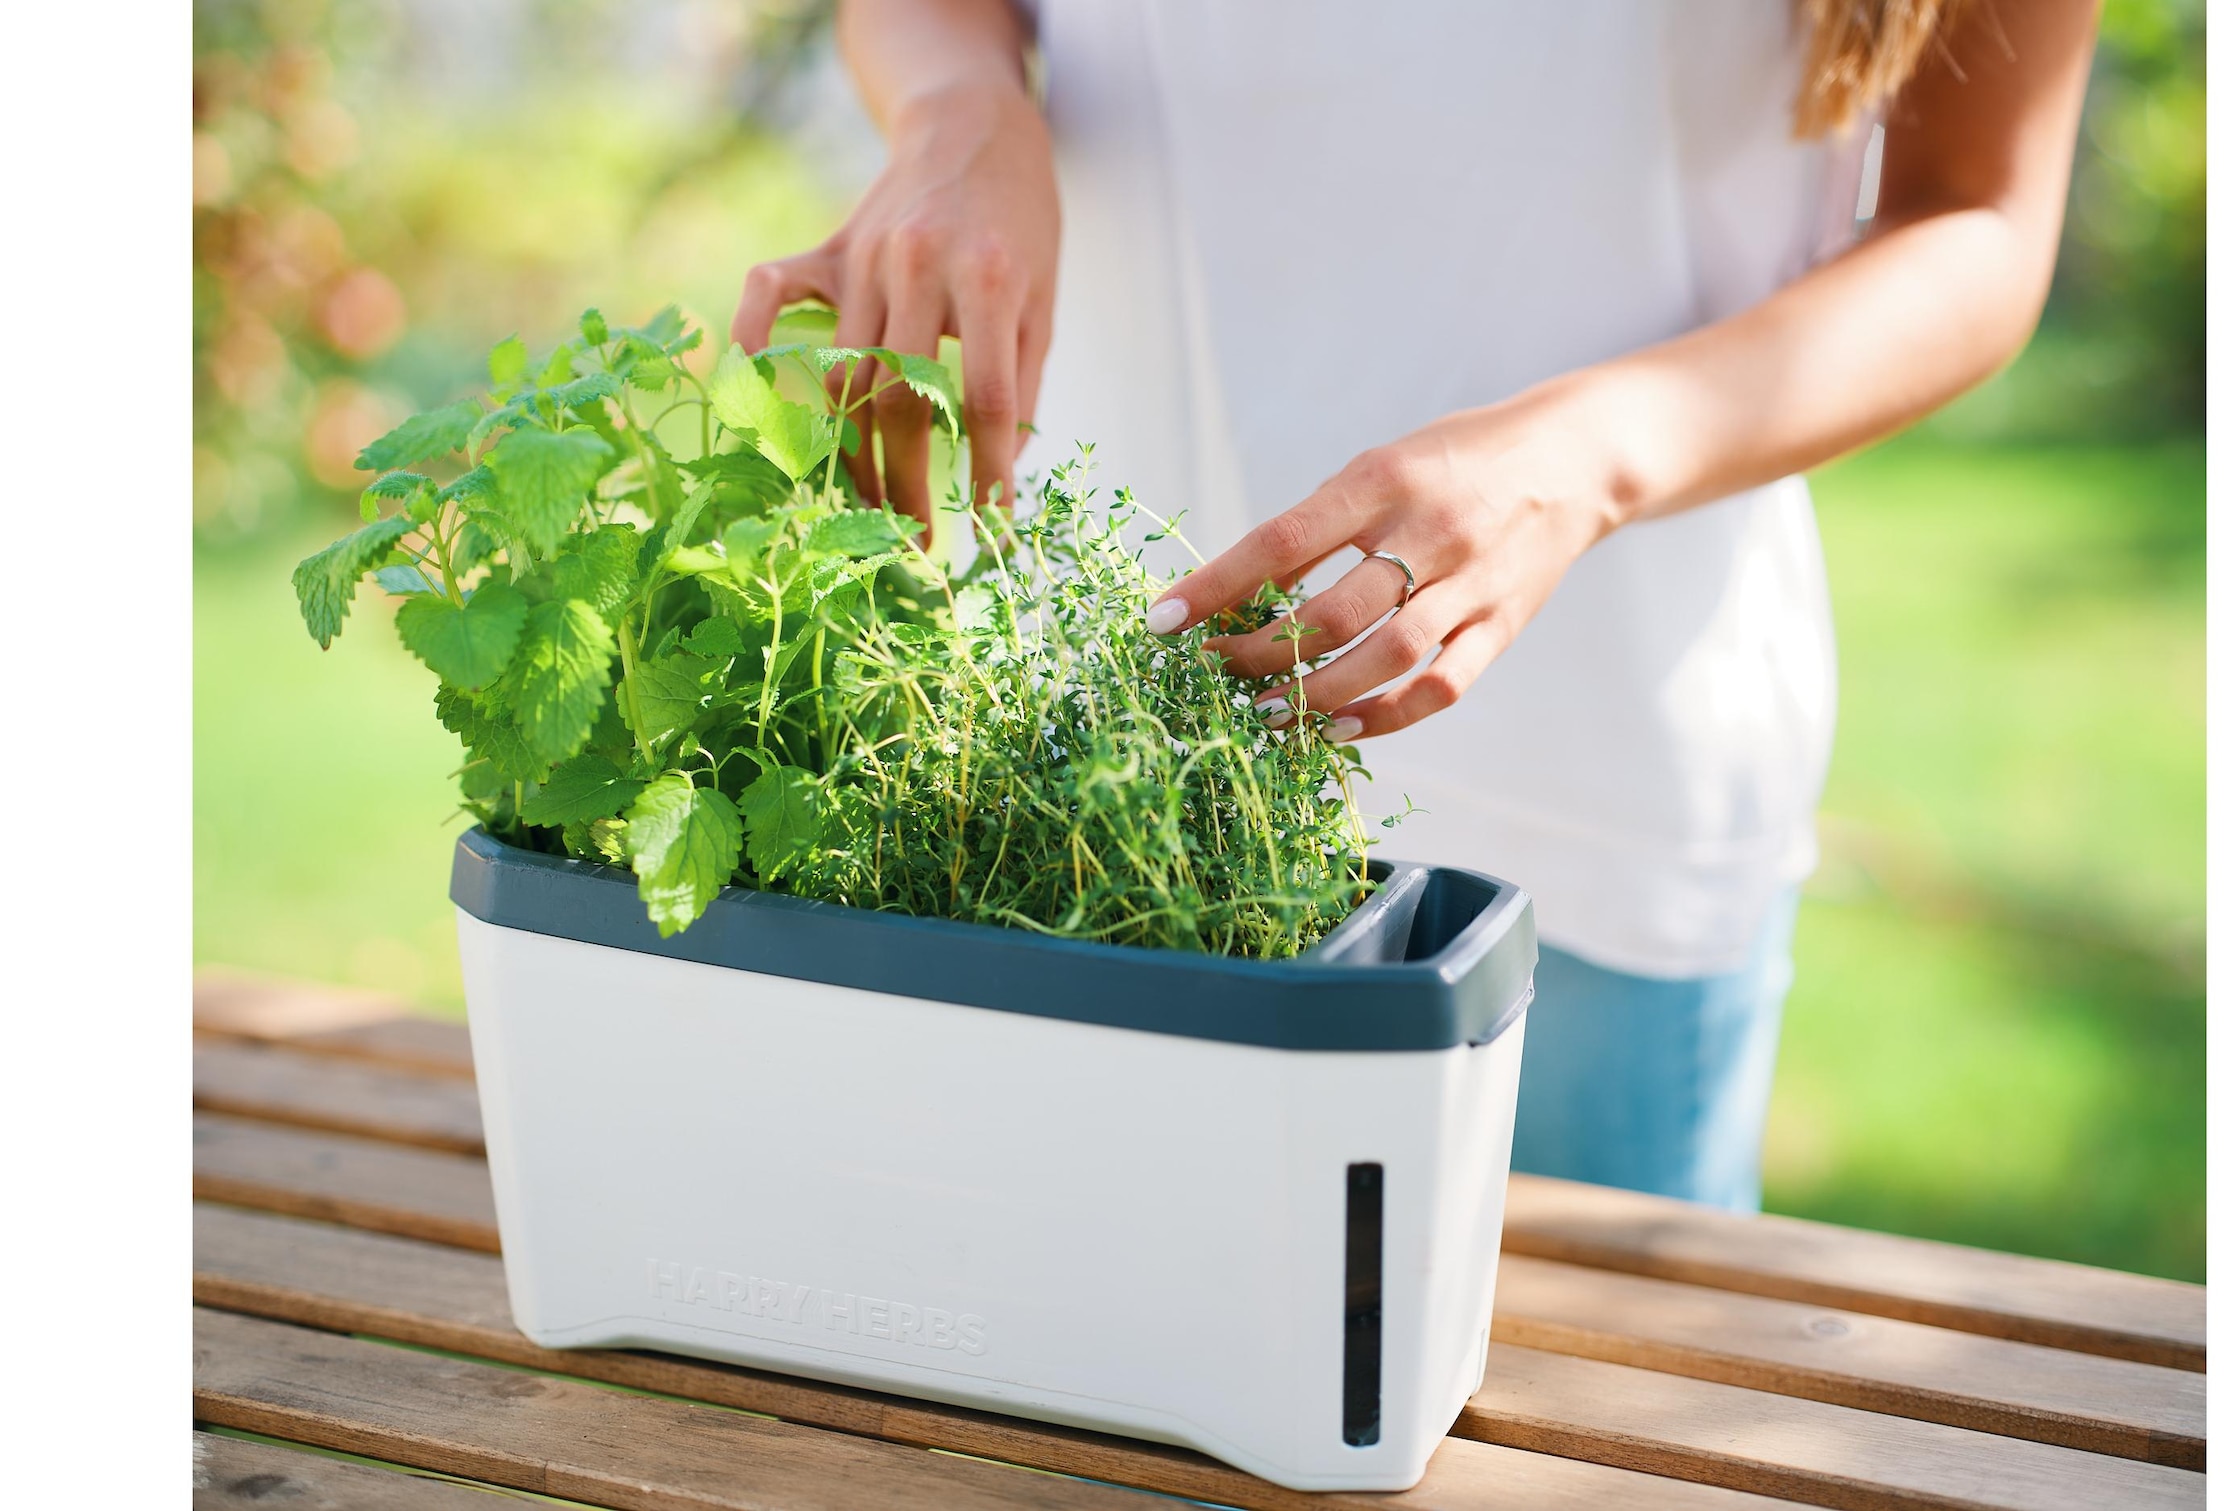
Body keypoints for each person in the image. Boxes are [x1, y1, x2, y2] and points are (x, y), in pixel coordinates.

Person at [731, 0, 2099, 1212]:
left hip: (1588, 814)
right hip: (1069, 784)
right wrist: (959, 101)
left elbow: (1976, 214)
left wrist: (1586, 455)